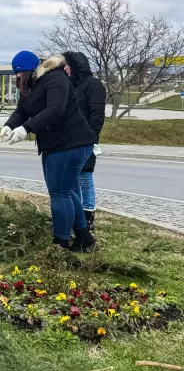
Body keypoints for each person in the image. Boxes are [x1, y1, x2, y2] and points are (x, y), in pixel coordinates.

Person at [0, 52, 96, 250]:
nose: (18, 77)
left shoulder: (55, 79)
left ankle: (60, 244)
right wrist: (10, 125)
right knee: (66, 191)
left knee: (59, 194)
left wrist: (27, 128)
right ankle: (84, 238)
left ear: (32, 70)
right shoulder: (31, 85)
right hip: (53, 144)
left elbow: (55, 109)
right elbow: (22, 110)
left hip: (71, 142)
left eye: (20, 74)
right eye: (15, 74)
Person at [62, 50, 105, 250]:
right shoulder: (72, 84)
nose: (65, 68)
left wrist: (91, 139)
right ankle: (77, 217)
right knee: (73, 182)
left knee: (85, 179)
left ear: (76, 65)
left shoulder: (93, 84)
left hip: (86, 140)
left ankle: (88, 218)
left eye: (67, 64)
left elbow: (96, 116)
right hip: (71, 140)